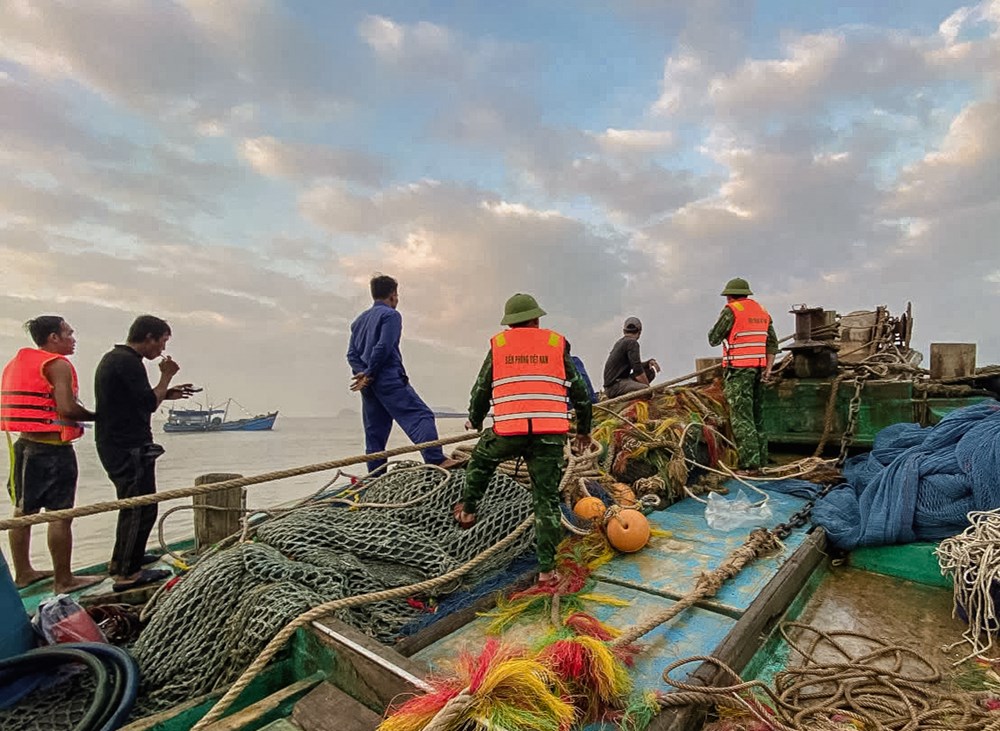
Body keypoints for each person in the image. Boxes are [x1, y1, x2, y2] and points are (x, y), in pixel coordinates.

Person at [453, 294, 593, 586]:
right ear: (536, 319)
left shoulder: (500, 346)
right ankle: (547, 571)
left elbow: (481, 390)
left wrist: (475, 420)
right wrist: (583, 431)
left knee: (481, 459)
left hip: (509, 432)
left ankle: (467, 511)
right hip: (549, 436)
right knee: (546, 500)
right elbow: (580, 391)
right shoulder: (556, 344)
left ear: (510, 323)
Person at [94, 315, 197, 592]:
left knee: (133, 505)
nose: (162, 349)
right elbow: (149, 403)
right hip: (128, 446)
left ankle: (124, 559)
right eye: (162, 341)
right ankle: (128, 573)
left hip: (116, 443)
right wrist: (166, 376)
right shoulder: (128, 362)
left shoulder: (116, 359)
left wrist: (167, 392)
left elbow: (137, 401)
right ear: (149, 337)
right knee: (141, 507)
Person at [0, 316, 103, 593]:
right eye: (69, 333)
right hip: (53, 450)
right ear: (53, 337)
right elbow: (67, 408)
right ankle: (64, 580)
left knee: (23, 511)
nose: (73, 339)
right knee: (60, 515)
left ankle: (23, 573)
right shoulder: (58, 365)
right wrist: (99, 416)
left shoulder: (18, 363)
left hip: (24, 446)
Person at [347, 275, 458, 473]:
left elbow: (351, 354)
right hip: (388, 379)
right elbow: (383, 346)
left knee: (375, 433)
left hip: (368, 387)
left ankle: (375, 476)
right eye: (396, 295)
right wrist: (370, 372)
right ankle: (436, 459)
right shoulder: (391, 316)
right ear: (393, 295)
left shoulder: (358, 322)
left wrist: (363, 375)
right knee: (422, 416)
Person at [707, 278, 779, 472]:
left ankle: (750, 464)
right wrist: (768, 368)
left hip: (739, 371)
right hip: (759, 369)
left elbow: (713, 338)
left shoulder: (732, 310)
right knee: (757, 415)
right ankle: (762, 459)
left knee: (742, 417)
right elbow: (772, 343)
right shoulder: (762, 311)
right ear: (747, 294)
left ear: (729, 296)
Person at [602, 316, 661, 398]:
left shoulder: (622, 342)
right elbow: (638, 371)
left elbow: (635, 365)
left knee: (649, 371)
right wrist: (648, 389)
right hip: (615, 386)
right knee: (646, 392)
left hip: (621, 381)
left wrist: (648, 363)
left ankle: (634, 390)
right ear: (639, 332)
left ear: (624, 331)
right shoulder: (632, 343)